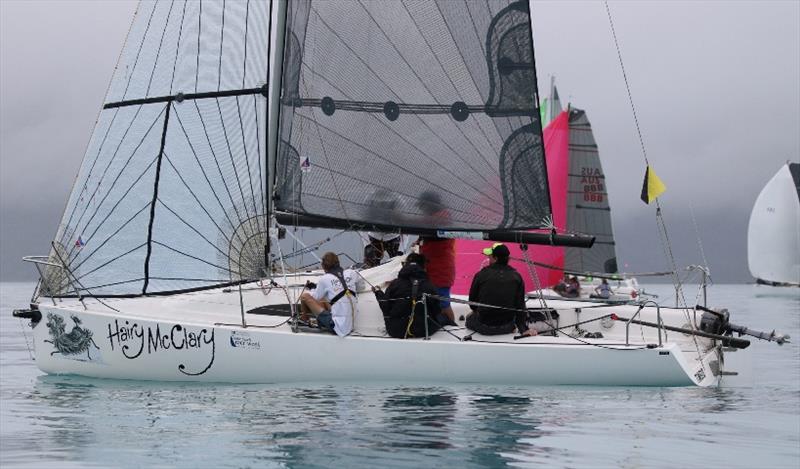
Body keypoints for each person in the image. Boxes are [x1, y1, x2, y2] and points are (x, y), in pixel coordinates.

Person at [466, 243, 536, 336]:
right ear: (509, 259)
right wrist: (523, 329)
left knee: (468, 318)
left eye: (490, 257)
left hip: (484, 327)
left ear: (495, 258)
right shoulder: (517, 277)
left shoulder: (481, 275)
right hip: (507, 327)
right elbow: (520, 306)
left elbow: (472, 303)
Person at [373, 253, 444, 338]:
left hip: (396, 331)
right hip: (424, 330)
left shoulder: (395, 284)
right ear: (423, 267)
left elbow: (385, 306)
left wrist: (378, 292)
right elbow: (437, 310)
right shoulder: (428, 285)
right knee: (445, 318)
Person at [415, 190, 456, 324]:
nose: (421, 210)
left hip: (440, 271)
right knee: (437, 302)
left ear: (430, 205)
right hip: (433, 269)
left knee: (443, 303)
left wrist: (398, 219)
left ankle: (453, 326)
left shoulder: (441, 217)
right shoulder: (436, 217)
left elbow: (421, 223)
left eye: (423, 207)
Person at [299, 252, 357, 336]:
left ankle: (304, 319)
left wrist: (311, 289)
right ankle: (319, 319)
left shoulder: (325, 278)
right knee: (326, 297)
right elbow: (360, 286)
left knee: (305, 296)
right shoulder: (351, 273)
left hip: (338, 327)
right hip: (352, 324)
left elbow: (316, 296)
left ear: (324, 266)